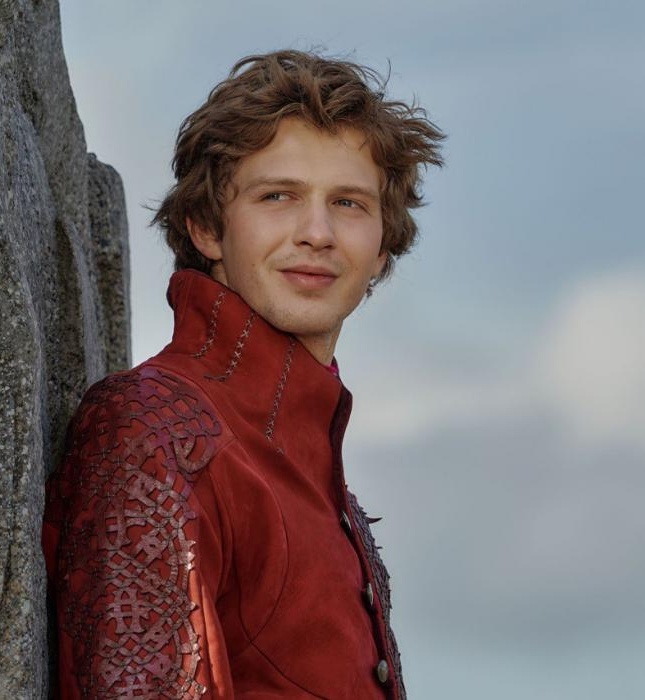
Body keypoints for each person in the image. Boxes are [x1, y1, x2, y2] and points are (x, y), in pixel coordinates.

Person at [42, 49, 444, 699]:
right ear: (206, 227)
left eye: (348, 203)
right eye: (277, 196)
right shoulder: (154, 430)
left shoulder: (321, 476)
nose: (317, 232)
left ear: (381, 248)